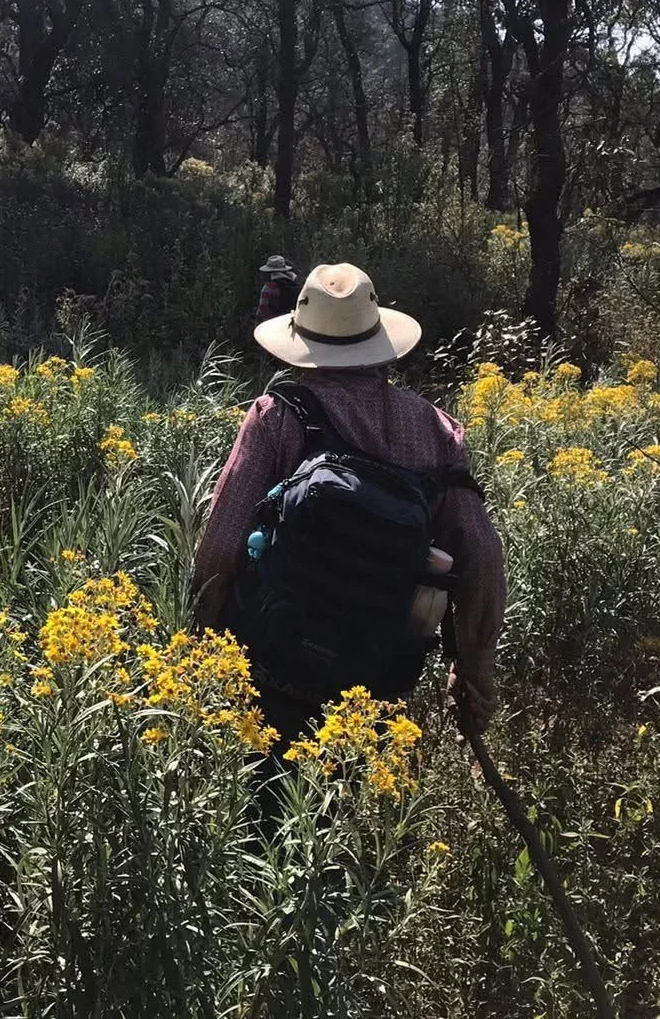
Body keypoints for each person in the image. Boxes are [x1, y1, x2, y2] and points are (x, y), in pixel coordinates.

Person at [192, 262, 505, 743]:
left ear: (300, 342)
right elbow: (480, 553)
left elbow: (220, 544)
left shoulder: (277, 415)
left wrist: (206, 640)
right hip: (376, 673)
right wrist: (473, 669)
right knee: (342, 802)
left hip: (271, 660)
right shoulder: (435, 430)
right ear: (378, 342)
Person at [255, 255, 300, 324]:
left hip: (274, 325)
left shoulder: (269, 287)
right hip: (291, 323)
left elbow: (262, 309)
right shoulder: (294, 283)